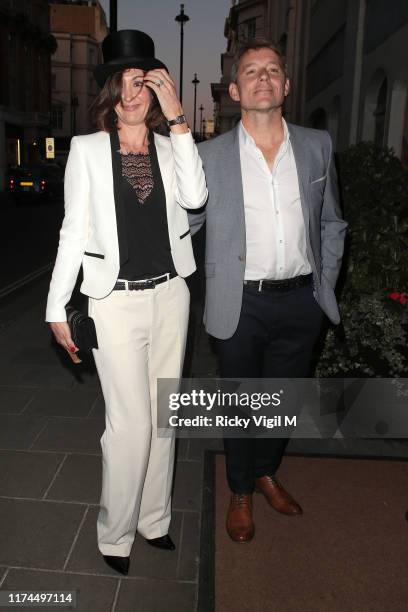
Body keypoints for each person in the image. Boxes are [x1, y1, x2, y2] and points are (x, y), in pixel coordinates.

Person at [46, 29, 207, 574]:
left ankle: (154, 519)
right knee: (130, 424)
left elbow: (195, 197)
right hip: (112, 303)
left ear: (155, 89)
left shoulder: (170, 145)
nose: (132, 95)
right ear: (109, 93)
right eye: (123, 84)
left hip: (171, 295)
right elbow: (73, 231)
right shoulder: (88, 150)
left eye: (142, 84)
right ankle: (114, 534)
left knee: (164, 418)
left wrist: (180, 120)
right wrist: (55, 307)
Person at [189, 38, 347, 543]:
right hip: (241, 301)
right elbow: (183, 224)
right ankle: (239, 487)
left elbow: (332, 221)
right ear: (234, 89)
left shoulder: (317, 144)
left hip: (302, 300)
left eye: (272, 69)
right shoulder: (208, 155)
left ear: (285, 84)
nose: (262, 77)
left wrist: (325, 282)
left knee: (282, 398)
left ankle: (265, 471)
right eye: (251, 71)